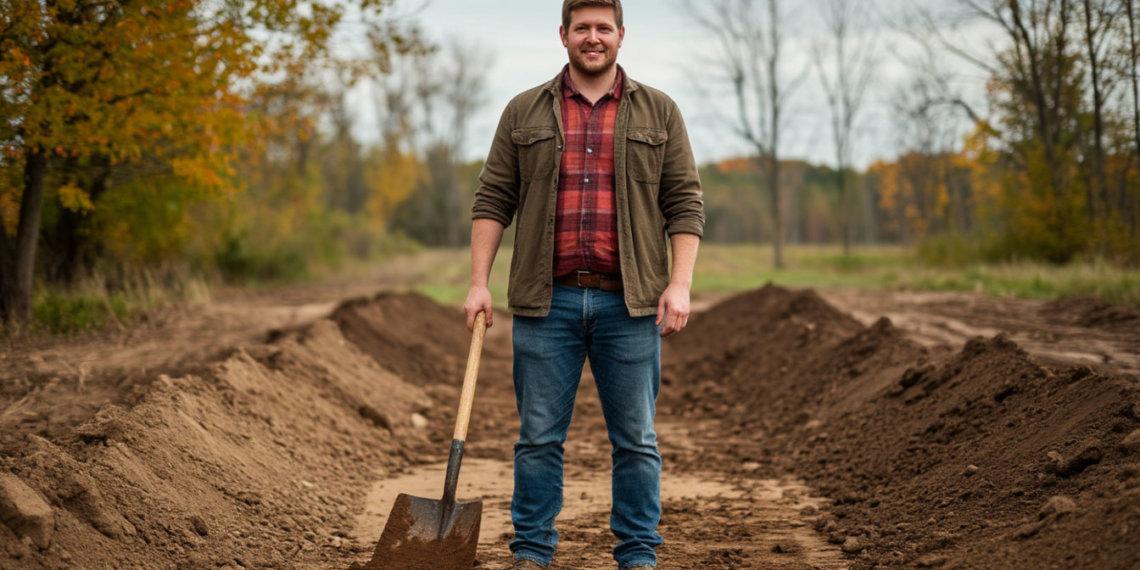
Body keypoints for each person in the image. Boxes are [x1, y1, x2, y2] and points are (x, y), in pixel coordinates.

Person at [462, 0, 703, 567]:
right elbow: (493, 198)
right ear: (563, 35)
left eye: (603, 28)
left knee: (637, 442)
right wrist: (478, 283)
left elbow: (684, 203)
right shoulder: (523, 112)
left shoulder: (660, 112)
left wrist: (681, 283)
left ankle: (638, 553)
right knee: (539, 439)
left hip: (631, 304)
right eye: (581, 29)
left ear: (621, 35)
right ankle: (533, 552)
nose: (592, 38)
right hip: (549, 304)